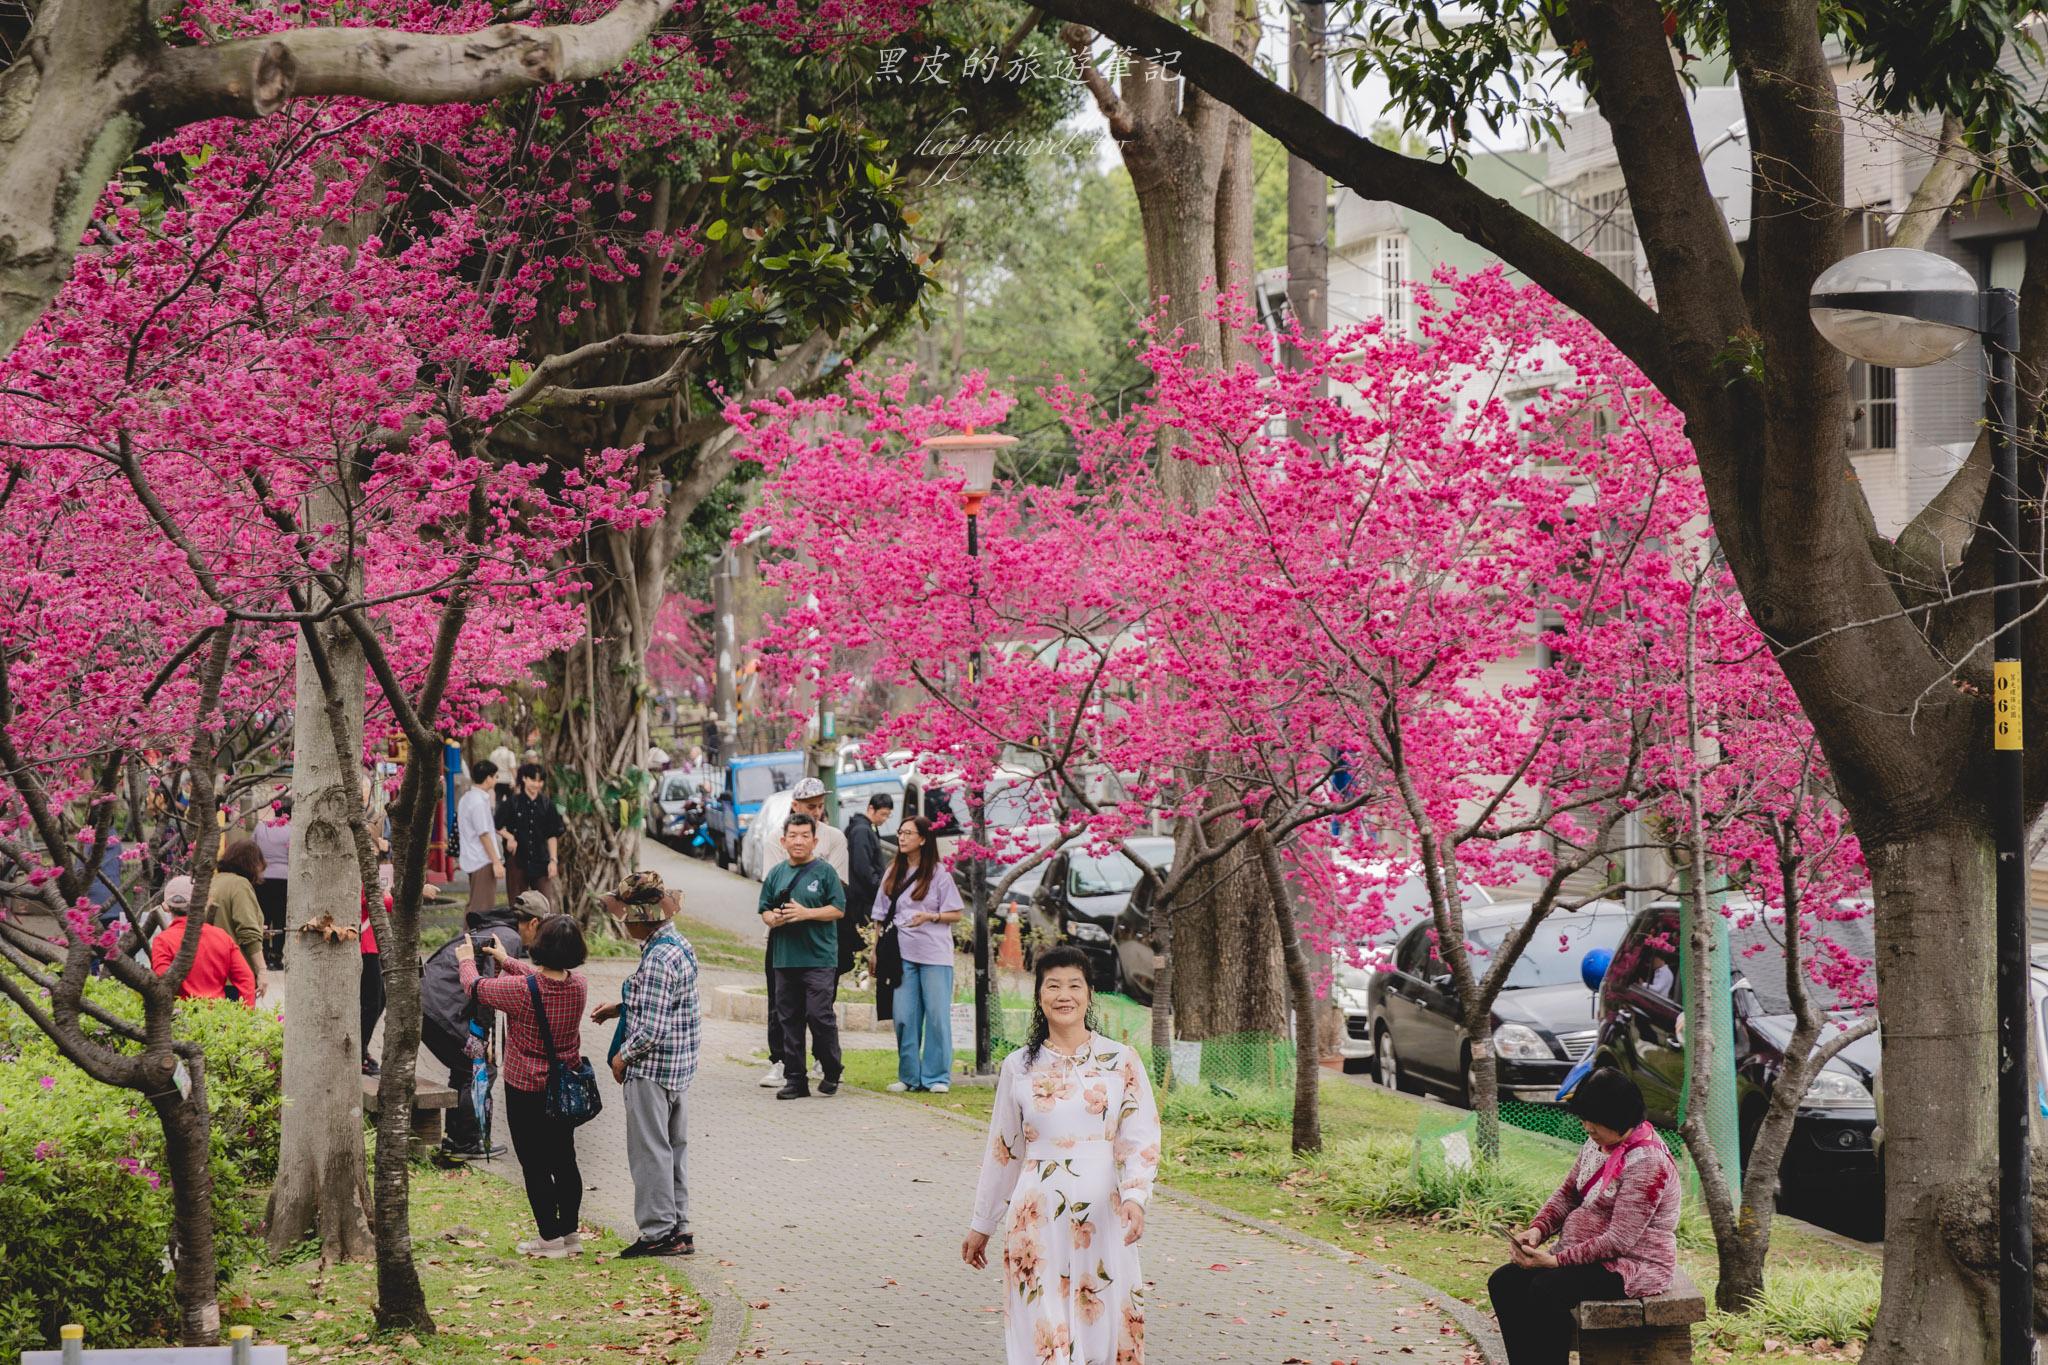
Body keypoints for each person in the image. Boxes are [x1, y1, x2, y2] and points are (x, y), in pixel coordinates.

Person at [963, 946, 1160, 1365]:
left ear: (1089, 995)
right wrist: (983, 1223)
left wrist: (1135, 1197)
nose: (1063, 995)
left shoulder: (1120, 1061)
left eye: (1074, 985)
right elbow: (1004, 1151)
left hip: (1103, 1214)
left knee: (1102, 1316)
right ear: (1039, 996)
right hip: (1036, 1217)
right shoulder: (1018, 1066)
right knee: (1041, 1320)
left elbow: (1140, 1137)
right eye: (1053, 986)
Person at [1489, 1067, 1680, 1365]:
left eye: (1594, 1120)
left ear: (1620, 1118)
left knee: (1546, 1289)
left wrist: (1555, 1262)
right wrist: (1538, 1230)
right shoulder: (1598, 1144)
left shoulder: (1647, 1163)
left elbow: (1619, 1240)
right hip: (1586, 1256)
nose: (1587, 1127)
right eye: (1585, 1118)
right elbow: (1569, 1193)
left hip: (1631, 1265)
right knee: (1504, 1282)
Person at [457, 914, 590, 1258]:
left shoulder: (520, 992)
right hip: (563, 1088)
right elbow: (538, 979)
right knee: (564, 1160)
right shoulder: (579, 985)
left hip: (526, 1089)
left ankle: (549, 1239)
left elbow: (476, 987)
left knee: (534, 1164)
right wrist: (506, 960)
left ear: (540, 944)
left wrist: (467, 960)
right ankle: (570, 1235)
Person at [597, 872, 702, 1258]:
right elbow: (667, 1002)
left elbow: (653, 1029)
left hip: (652, 1070)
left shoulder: (658, 958)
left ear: (643, 918)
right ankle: (679, 1228)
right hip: (678, 1068)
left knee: (650, 1152)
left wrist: (622, 1056)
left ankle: (657, 1232)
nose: (622, 922)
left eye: (625, 915)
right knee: (672, 1149)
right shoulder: (678, 945)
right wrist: (620, 1008)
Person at [419, 891, 548, 1158]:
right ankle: (467, 1142)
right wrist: (482, 1037)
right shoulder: (509, 938)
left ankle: (456, 1140)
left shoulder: (496, 930)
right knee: (480, 1068)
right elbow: (486, 991)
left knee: (465, 1067)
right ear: (534, 923)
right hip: (440, 1009)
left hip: (429, 1006)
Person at [756, 778, 848, 1090]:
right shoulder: (776, 854)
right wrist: (775, 917)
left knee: (820, 1013)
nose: (816, 811)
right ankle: (792, 1074)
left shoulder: (831, 851)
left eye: (820, 806)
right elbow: (768, 904)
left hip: (819, 951)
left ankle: (830, 1065)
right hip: (784, 949)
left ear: (814, 840)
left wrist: (807, 912)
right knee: (786, 1015)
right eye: (810, 806)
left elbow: (838, 903)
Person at [872, 816, 962, 1092]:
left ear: (923, 839)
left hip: (935, 955)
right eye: (900, 832)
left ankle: (936, 1077)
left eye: (908, 833)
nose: (902, 837)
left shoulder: (939, 874)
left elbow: (956, 913)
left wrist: (930, 916)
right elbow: (880, 915)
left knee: (936, 1016)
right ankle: (909, 1076)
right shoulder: (893, 871)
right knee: (903, 1016)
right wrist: (875, 951)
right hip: (901, 953)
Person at [150, 875, 256, 1005]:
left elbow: (163, 983)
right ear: (203, 903)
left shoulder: (162, 941)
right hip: (217, 1014)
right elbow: (246, 978)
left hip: (180, 1014)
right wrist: (246, 1013)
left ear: (166, 907)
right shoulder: (222, 937)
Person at [205, 838, 267, 999]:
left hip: (209, 972)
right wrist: (262, 970)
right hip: (235, 975)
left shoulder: (213, 881)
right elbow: (248, 932)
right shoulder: (240, 884)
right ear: (252, 863)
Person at [498, 763, 566, 908]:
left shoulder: (547, 805)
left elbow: (552, 835)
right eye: (533, 780)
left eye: (540, 781)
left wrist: (553, 860)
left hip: (541, 861)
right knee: (516, 905)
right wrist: (509, 837)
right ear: (524, 779)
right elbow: (495, 824)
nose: (536, 784)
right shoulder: (513, 802)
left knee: (545, 905)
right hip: (517, 860)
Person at [842, 793, 892, 977]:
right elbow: (862, 866)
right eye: (883, 814)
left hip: (863, 896)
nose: (884, 819)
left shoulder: (865, 828)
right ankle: (862, 975)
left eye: (888, 815)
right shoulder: (862, 831)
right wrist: (879, 886)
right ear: (871, 808)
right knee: (864, 940)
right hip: (862, 897)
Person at [457, 759, 507, 917]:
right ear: (488, 778)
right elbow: (484, 834)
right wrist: (496, 862)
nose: (496, 779)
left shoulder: (467, 798)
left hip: (473, 858)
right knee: (482, 908)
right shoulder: (478, 802)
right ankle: (473, 933)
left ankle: (469, 932)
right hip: (482, 859)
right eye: (495, 776)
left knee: (476, 904)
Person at [252, 797, 292, 972]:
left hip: (262, 877)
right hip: (284, 879)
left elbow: (252, 849)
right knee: (280, 918)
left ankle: (264, 954)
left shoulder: (260, 828)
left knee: (263, 917)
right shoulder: (292, 830)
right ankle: (276, 956)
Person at [361, 863, 392, 1076]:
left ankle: (362, 1048)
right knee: (372, 1003)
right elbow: (374, 901)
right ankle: (359, 1052)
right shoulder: (356, 874)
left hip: (371, 945)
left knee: (379, 1000)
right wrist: (390, 893)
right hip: (364, 946)